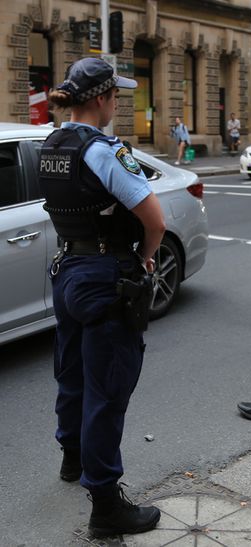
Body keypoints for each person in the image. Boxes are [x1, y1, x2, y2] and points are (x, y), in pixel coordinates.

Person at [40, 58, 166, 537]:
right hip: (105, 274)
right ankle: (106, 506)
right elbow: (155, 222)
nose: (118, 103)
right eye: (116, 96)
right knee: (107, 390)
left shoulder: (51, 143)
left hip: (68, 269)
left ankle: (72, 458)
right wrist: (148, 259)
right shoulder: (104, 151)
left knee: (71, 373)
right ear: (100, 99)